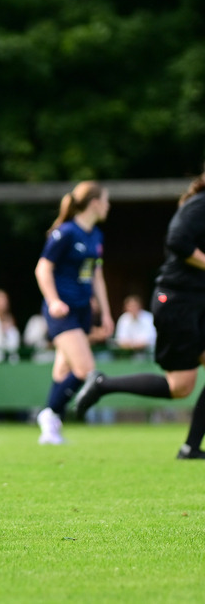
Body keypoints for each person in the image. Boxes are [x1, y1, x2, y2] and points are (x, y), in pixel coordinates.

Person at [74, 169, 205, 459]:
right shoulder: (200, 204)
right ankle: (102, 384)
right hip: (177, 301)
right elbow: (177, 240)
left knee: (181, 386)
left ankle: (190, 448)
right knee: (180, 387)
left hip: (196, 302)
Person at [33, 181, 114, 445]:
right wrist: (54, 301)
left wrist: (107, 313)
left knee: (63, 370)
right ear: (94, 202)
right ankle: (49, 414)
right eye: (106, 200)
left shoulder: (96, 235)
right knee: (84, 369)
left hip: (82, 310)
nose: (108, 205)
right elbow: (42, 269)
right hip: (62, 311)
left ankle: (50, 430)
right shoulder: (66, 232)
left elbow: (97, 276)